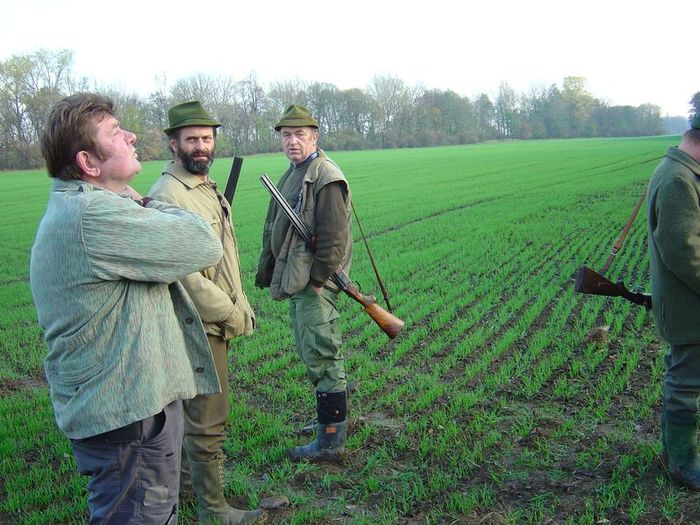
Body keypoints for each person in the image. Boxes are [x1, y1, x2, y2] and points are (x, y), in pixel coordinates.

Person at [29, 92, 224, 523]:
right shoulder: (94, 215)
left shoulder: (88, 207)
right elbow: (203, 243)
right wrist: (146, 202)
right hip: (128, 417)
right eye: (116, 132)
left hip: (128, 408)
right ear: (88, 163)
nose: (132, 136)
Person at [149, 101, 263, 525]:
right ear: (173, 143)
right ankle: (213, 511)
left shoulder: (202, 187)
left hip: (210, 320)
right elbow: (186, 277)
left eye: (207, 138)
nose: (201, 146)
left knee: (191, 417)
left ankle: (180, 497)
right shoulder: (170, 195)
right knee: (208, 419)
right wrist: (231, 312)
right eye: (192, 139)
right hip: (199, 325)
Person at [256, 104, 353, 461]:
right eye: (286, 135)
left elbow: (334, 236)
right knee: (313, 352)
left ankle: (331, 442)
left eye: (299, 134)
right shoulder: (296, 172)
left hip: (315, 283)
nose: (292, 141)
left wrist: (317, 279)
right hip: (302, 281)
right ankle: (329, 422)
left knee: (323, 355)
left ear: (314, 137)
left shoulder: (324, 174)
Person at [648, 113, 700, 490]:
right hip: (689, 307)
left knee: (683, 376)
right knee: (685, 383)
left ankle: (674, 453)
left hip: (688, 302)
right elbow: (685, 252)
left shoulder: (681, 172)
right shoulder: (678, 179)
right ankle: (681, 462)